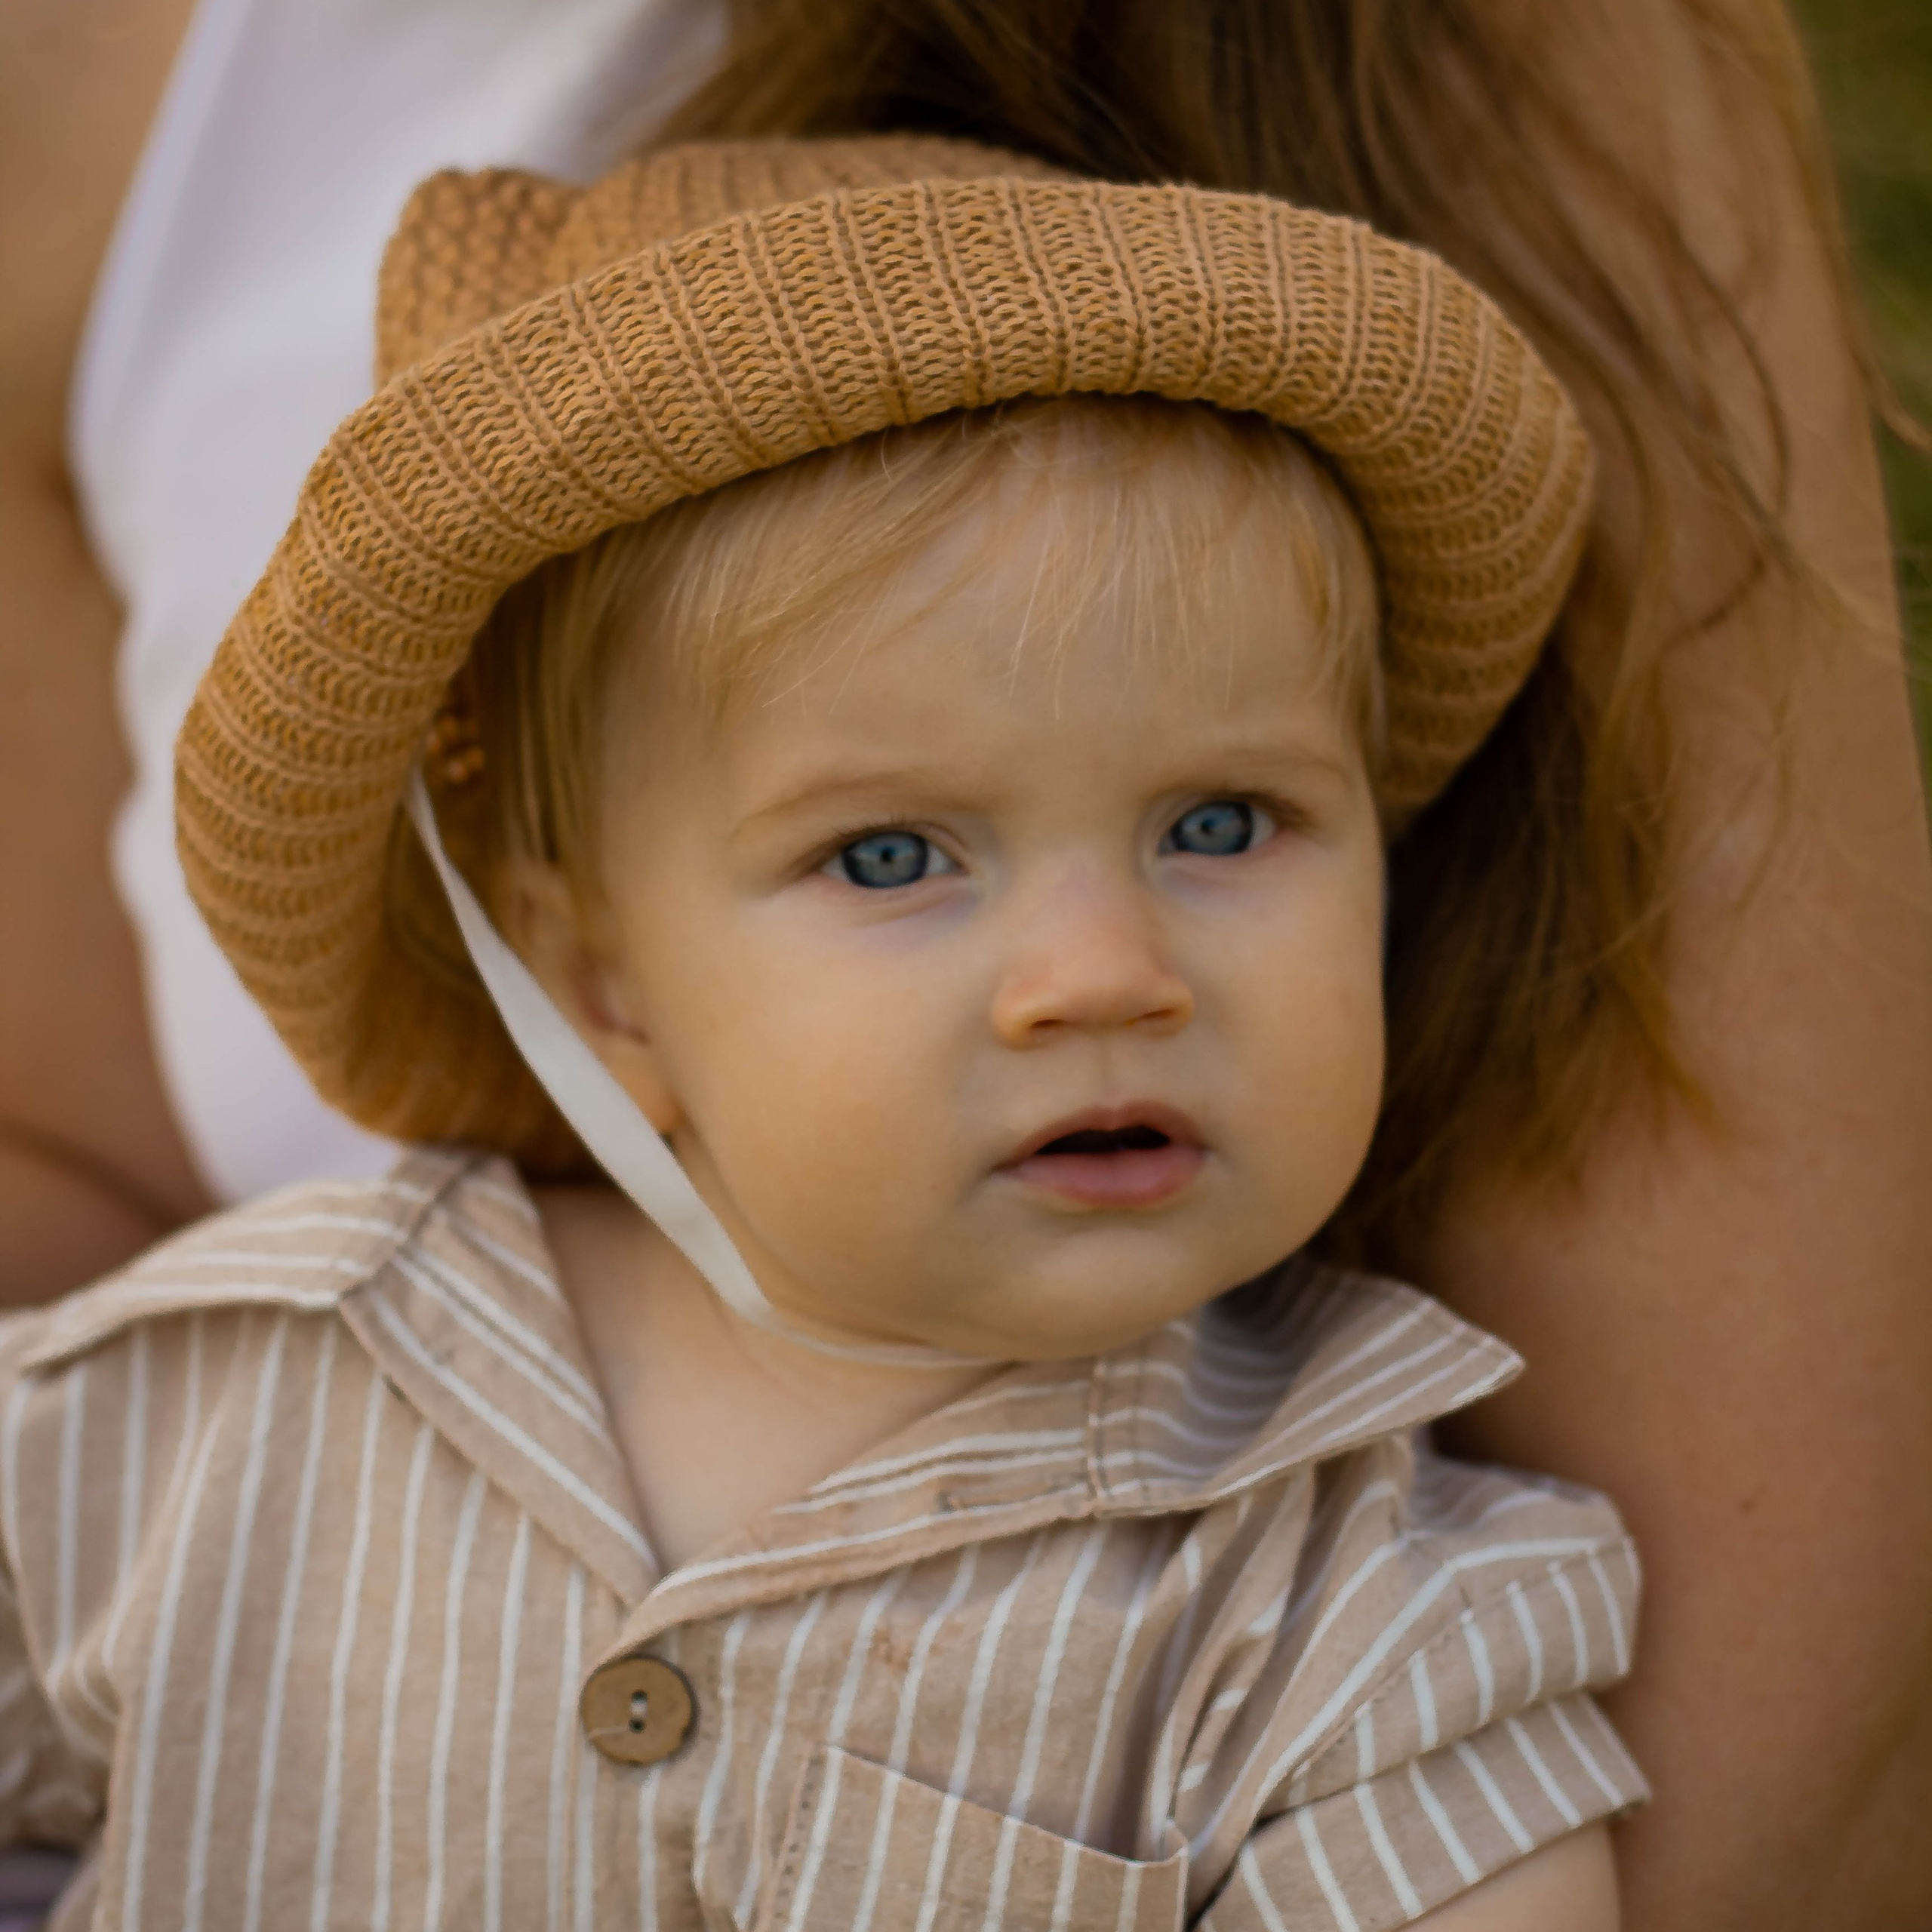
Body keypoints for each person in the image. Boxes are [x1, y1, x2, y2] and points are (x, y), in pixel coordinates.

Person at [4, 3, 1927, 1926]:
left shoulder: (1350, 1612)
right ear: (599, 981)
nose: (1102, 972)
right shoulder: (206, 1400)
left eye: (1222, 823)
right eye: (893, 855)